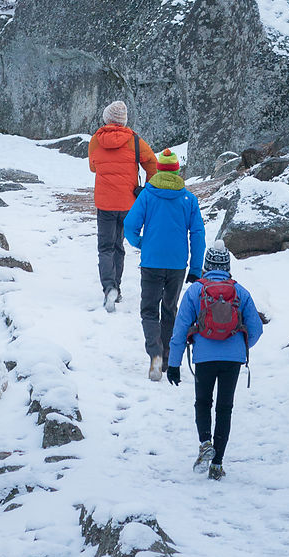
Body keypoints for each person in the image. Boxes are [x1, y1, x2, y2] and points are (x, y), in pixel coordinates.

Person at [165, 242, 263, 481]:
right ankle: (217, 464)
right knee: (224, 408)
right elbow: (256, 329)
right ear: (227, 265)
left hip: (204, 357)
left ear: (207, 265)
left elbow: (179, 332)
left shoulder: (195, 291)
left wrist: (173, 364)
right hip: (233, 359)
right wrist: (240, 347)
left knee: (202, 402)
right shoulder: (240, 292)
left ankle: (205, 442)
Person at [122, 148, 205, 381]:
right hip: (178, 265)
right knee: (170, 310)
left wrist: (142, 243)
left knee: (149, 310)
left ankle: (155, 355)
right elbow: (198, 234)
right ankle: (167, 358)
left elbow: (129, 225)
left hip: (151, 262)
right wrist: (196, 268)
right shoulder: (188, 199)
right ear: (177, 171)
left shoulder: (147, 196)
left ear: (158, 170)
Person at [88, 100, 158, 313]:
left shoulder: (95, 140)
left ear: (106, 119)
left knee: (105, 247)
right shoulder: (134, 141)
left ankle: (109, 287)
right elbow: (152, 163)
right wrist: (146, 188)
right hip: (128, 203)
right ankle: (116, 287)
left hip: (105, 203)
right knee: (119, 245)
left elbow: (93, 167)